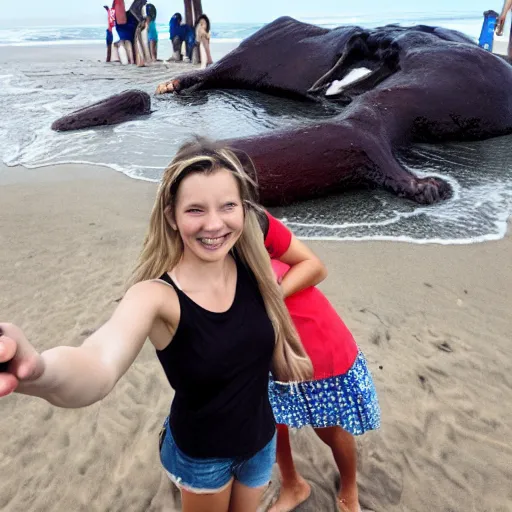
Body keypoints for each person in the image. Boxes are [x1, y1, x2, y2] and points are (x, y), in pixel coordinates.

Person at [0, 138, 313, 512]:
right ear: (172, 216)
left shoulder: (254, 265)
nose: (214, 224)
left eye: (227, 206)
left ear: (243, 210)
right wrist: (38, 370)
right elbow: (98, 364)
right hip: (203, 457)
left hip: (262, 444)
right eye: (195, 209)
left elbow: (307, 267)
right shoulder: (156, 297)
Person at [261, 211, 381, 512]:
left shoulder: (254, 221)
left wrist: (272, 296)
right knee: (272, 424)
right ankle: (293, 485)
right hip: (262, 352)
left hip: (314, 347)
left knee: (328, 426)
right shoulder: (202, 244)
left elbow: (315, 267)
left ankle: (349, 485)